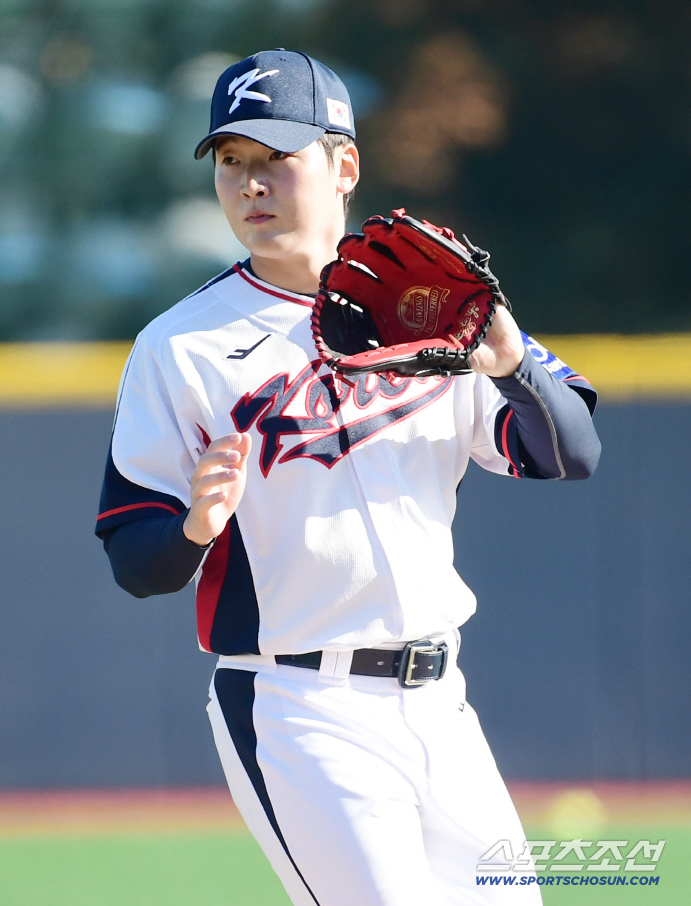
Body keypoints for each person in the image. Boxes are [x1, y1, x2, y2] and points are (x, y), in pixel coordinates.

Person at [96, 49, 600, 905]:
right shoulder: (180, 347)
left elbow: (571, 451)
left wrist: (511, 358)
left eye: (275, 160)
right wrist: (192, 531)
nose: (251, 185)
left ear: (345, 166)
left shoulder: (431, 302)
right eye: (231, 163)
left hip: (443, 706)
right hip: (300, 707)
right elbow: (131, 555)